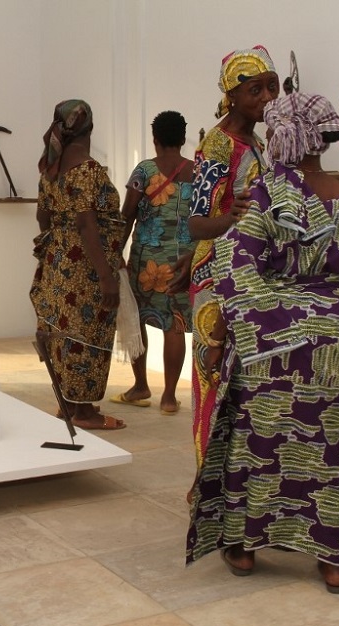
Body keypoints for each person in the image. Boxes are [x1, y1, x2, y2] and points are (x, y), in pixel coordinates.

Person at [185, 91, 339, 594]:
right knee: (325, 449)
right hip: (330, 343)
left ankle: (246, 548)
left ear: (281, 136)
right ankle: (331, 560)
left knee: (260, 445)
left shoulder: (267, 196)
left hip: (268, 344)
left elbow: (235, 272)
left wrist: (224, 338)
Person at [187, 46, 279, 487]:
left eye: (271, 87)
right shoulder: (218, 144)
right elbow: (196, 223)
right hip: (216, 279)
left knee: (244, 379)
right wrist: (234, 216)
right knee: (211, 375)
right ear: (232, 94)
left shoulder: (257, 142)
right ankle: (205, 480)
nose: (266, 97)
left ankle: (239, 477)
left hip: (250, 275)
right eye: (254, 89)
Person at [31, 100, 128, 431]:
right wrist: (105, 277)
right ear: (89, 128)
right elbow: (88, 225)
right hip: (87, 268)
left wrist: (61, 249)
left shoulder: (51, 169)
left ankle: (69, 405)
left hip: (58, 265)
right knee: (89, 335)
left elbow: (42, 217)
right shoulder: (88, 171)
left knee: (64, 335)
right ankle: (84, 412)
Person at [113, 110, 194, 415]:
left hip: (147, 260)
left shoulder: (144, 170)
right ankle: (170, 397)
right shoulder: (197, 172)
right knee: (175, 323)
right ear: (183, 138)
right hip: (182, 263)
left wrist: (115, 251)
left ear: (155, 139)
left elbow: (127, 214)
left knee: (138, 319)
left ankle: (140, 385)